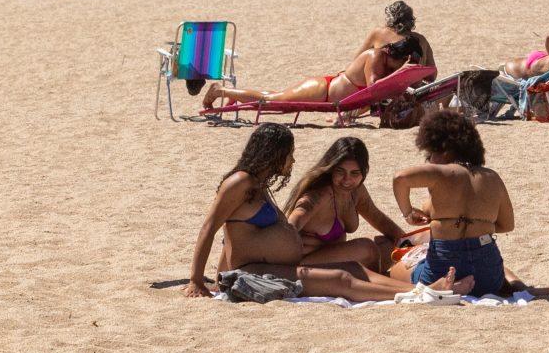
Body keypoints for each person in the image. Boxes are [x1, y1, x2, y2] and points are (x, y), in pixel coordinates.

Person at [186, 123, 466, 302]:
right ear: (273, 153)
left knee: (354, 268)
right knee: (339, 279)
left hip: (270, 263)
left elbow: (233, 234)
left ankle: (425, 289)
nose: (293, 160)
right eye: (289, 154)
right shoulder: (240, 182)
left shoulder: (257, 186)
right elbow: (211, 227)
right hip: (253, 270)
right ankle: (422, 294)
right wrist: (197, 280)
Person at [394, 108, 522, 297]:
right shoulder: (492, 177)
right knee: (495, 268)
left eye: (429, 154)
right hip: (487, 269)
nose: (429, 161)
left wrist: (408, 213)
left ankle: (450, 287)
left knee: (400, 269)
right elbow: (507, 225)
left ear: (444, 151)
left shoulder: (442, 173)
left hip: (445, 263)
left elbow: (400, 178)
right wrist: (478, 224)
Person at [287, 136, 421, 275]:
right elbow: (291, 224)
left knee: (390, 245)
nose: (347, 180)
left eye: (355, 173)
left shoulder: (356, 191)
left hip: (335, 260)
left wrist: (407, 242)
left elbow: (378, 218)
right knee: (367, 248)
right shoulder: (318, 196)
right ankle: (376, 281)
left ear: (363, 173)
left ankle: (372, 278)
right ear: (331, 169)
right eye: (340, 172)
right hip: (306, 265)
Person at [202, 34, 424, 111]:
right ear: (403, 57)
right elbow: (375, 87)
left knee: (274, 96)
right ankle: (219, 90)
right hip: (323, 91)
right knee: (271, 101)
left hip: (327, 92)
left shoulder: (385, 62)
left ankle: (233, 93)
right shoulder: (377, 56)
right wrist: (402, 73)